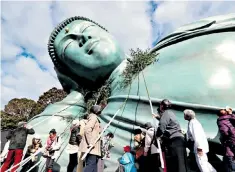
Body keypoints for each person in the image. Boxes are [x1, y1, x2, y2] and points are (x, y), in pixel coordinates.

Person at [155, 99, 188, 172]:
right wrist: (158, 118)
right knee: (183, 163)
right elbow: (168, 123)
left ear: (162, 106)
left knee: (176, 164)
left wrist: (157, 135)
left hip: (174, 140)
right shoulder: (171, 113)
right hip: (180, 139)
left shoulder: (165, 114)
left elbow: (162, 126)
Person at [79, 105, 102, 172]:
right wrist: (91, 142)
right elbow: (87, 129)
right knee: (91, 165)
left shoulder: (94, 118)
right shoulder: (93, 118)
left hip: (94, 147)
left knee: (94, 166)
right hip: (91, 147)